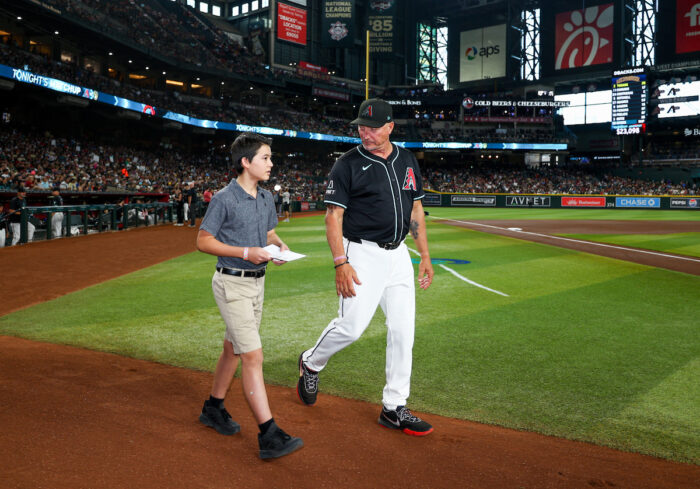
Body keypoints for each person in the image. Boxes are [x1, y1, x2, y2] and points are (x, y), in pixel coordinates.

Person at [296, 98, 435, 436]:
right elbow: (333, 216)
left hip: (399, 255)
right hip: (361, 254)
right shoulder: (347, 163)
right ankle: (311, 361)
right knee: (352, 327)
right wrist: (340, 263)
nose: (365, 132)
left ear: (390, 127)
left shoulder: (407, 160)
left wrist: (425, 256)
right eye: (361, 126)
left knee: (403, 331)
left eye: (373, 127)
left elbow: (415, 211)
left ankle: (394, 407)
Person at [195, 132, 303, 460]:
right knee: (253, 356)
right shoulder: (224, 198)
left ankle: (213, 407)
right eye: (265, 158)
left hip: (258, 283)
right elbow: (203, 240)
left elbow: (268, 233)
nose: (271, 163)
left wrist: (279, 246)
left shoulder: (267, 198)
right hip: (231, 284)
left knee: (234, 349)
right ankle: (269, 433)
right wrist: (246, 252)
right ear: (246, 162)